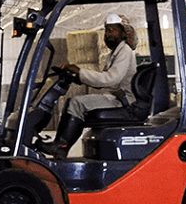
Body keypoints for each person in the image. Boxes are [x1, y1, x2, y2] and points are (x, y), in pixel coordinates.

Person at [38, 13, 137, 158]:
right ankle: (60, 145)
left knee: (76, 103)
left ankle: (60, 146)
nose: (109, 34)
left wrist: (80, 71)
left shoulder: (125, 51)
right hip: (116, 97)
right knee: (75, 101)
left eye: (114, 30)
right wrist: (77, 76)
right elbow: (102, 80)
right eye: (107, 30)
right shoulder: (115, 53)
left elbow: (111, 80)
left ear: (124, 32)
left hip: (122, 100)